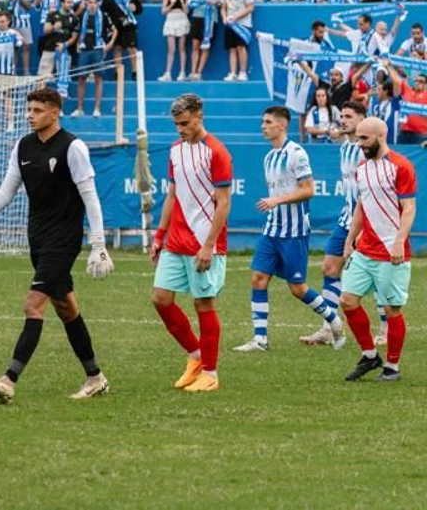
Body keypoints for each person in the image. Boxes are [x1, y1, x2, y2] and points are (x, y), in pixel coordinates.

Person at [0, 86, 112, 403]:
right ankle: (95, 377)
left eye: (37, 110)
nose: (29, 115)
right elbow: (7, 191)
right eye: (28, 110)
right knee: (66, 308)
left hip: (64, 240)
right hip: (38, 238)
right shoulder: (23, 146)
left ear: (55, 112)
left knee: (33, 305)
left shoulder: (73, 147)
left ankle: (8, 380)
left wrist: (98, 244)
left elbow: (90, 197)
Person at [149, 93, 234, 392]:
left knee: (203, 303)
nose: (180, 129)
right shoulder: (175, 150)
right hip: (175, 240)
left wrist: (209, 245)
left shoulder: (217, 152)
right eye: (176, 124)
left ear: (199, 116)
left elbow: (223, 203)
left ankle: (210, 374)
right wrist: (159, 235)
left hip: (203, 241)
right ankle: (195, 356)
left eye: (184, 123)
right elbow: (172, 195)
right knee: (160, 298)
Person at [232, 106, 334, 352]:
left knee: (297, 288)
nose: (263, 126)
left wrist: (276, 200)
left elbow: (308, 190)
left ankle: (333, 322)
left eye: (268, 122)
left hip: (294, 230)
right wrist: (274, 204)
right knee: (258, 278)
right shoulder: (268, 157)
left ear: (282, 125)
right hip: (272, 228)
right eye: (263, 121)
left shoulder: (297, 153)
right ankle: (260, 340)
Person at [338, 116, 416, 382]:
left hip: (391, 252)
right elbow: (362, 205)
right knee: (347, 300)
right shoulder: (361, 168)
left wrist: (399, 241)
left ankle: (392, 367)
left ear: (380, 136)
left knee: (392, 309)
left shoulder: (401, 166)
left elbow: (409, 208)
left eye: (364, 138)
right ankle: (370, 355)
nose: (359, 143)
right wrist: (350, 240)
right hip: (364, 249)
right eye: (357, 138)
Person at [298, 100, 367, 349]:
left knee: (377, 275)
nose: (343, 120)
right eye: (342, 116)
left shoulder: (366, 150)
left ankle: (385, 328)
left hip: (367, 223)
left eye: (349, 116)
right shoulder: (345, 148)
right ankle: (329, 328)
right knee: (329, 268)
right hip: (346, 219)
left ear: (362, 120)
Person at [221, 0, 255, 81]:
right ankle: (232, 73)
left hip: (242, 25)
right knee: (232, 49)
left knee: (241, 47)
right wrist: (224, 17)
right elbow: (223, 7)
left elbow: (250, 7)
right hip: (230, 25)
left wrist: (236, 16)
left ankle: (243, 72)